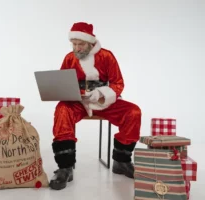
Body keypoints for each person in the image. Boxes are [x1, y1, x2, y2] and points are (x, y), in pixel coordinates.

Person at [49, 22, 142, 190]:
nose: (76, 48)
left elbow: (118, 83)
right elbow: (62, 82)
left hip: (104, 102)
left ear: (91, 43)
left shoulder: (107, 56)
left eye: (81, 44)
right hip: (77, 102)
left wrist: (101, 93)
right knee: (62, 110)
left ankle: (121, 161)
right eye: (74, 44)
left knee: (133, 112)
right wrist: (69, 93)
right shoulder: (69, 58)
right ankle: (65, 167)